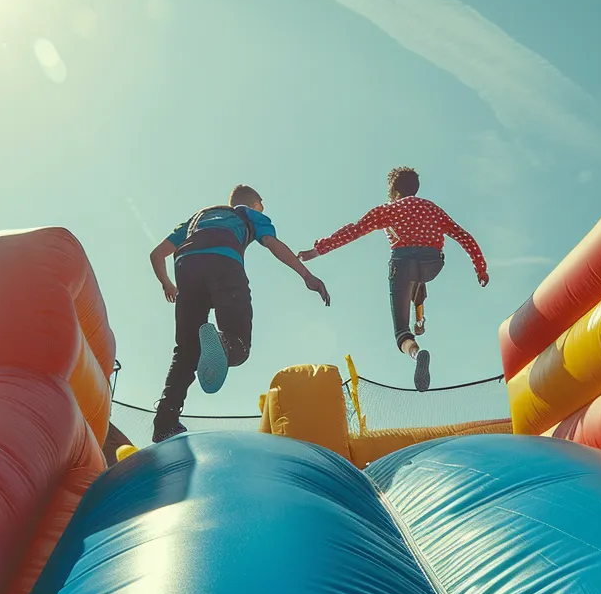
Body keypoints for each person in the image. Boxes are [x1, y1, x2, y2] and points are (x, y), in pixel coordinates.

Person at [148, 184, 330, 443]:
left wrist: (167, 284)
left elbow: (157, 254)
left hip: (186, 265)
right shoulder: (248, 214)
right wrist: (306, 275)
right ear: (254, 203)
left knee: (185, 352)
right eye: (262, 205)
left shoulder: (199, 217)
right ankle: (225, 342)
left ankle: (164, 423)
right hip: (224, 262)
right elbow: (272, 243)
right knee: (239, 346)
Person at [298, 166, 486, 391]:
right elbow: (462, 235)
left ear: (394, 191)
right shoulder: (432, 209)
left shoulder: (389, 209)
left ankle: (416, 353)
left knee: (401, 331)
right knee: (417, 275)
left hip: (403, 263)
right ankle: (419, 316)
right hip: (432, 264)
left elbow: (354, 230)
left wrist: (317, 250)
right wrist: (480, 268)